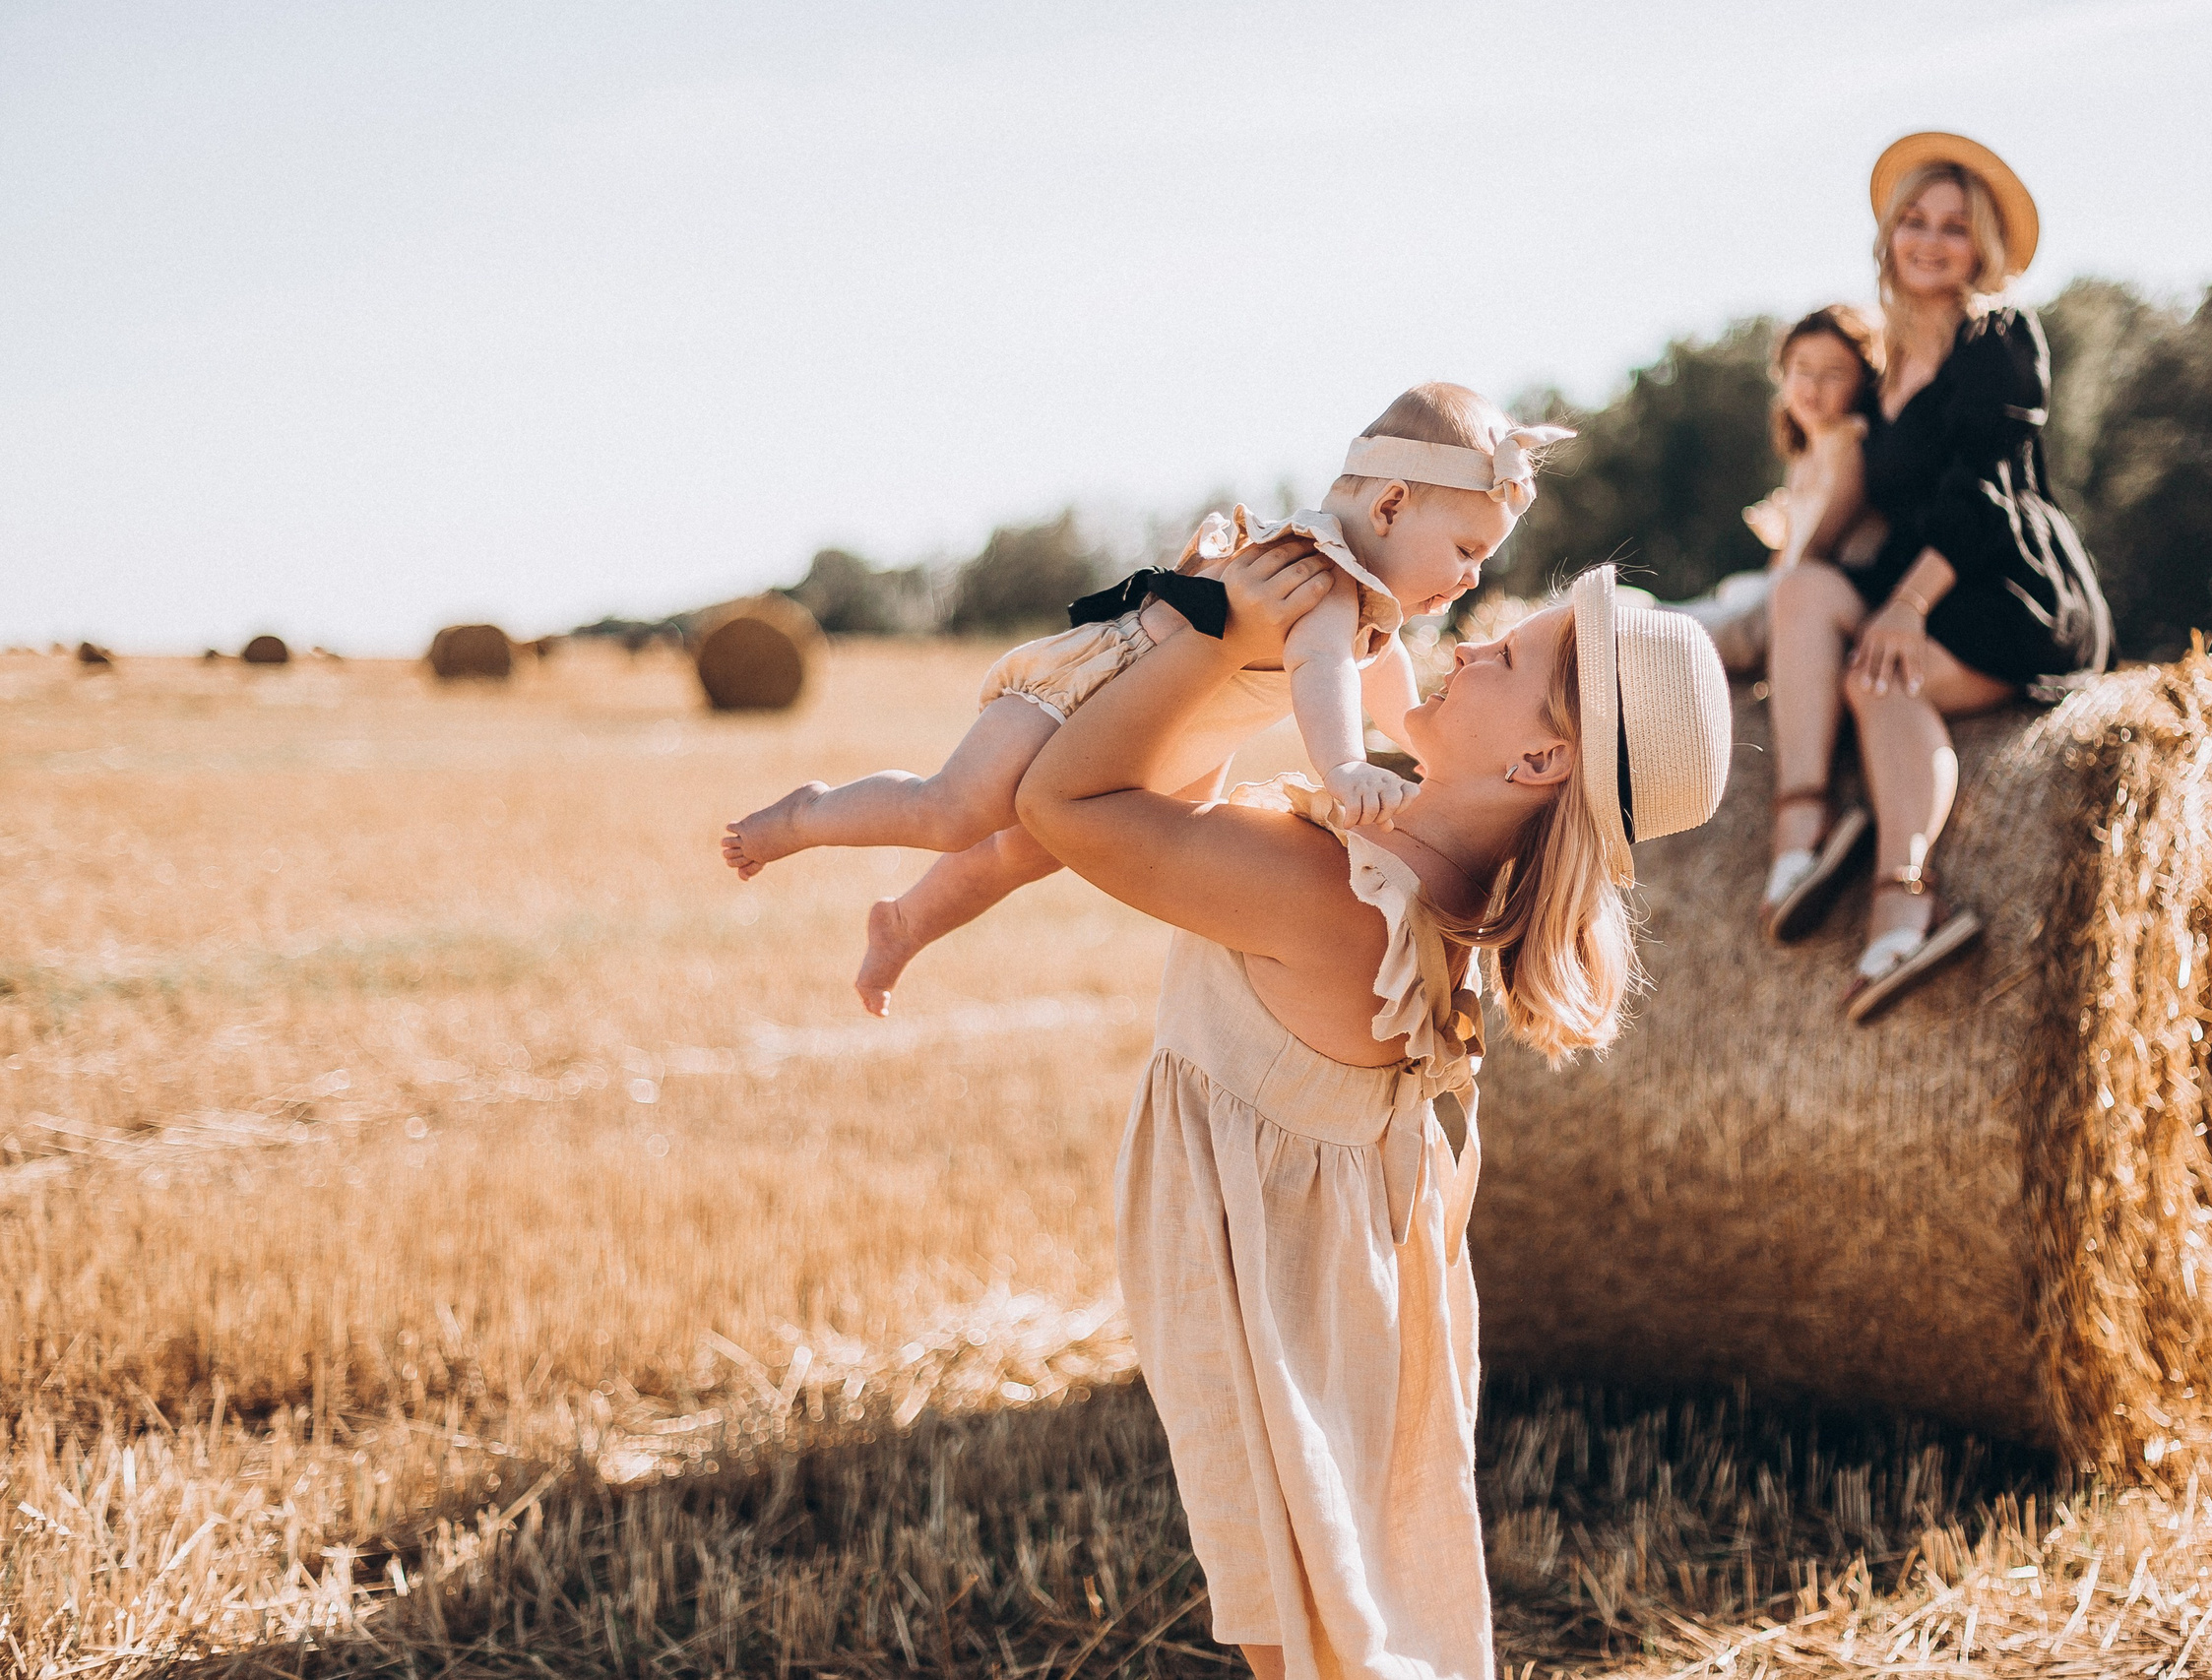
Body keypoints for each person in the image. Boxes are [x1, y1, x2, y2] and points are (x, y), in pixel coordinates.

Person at [1016, 545, 1729, 1679]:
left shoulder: (1328, 890)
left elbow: (1061, 799)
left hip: (1270, 1292)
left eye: (1506, 654)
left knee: (1301, 1610)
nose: (1471, 641)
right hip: (1333, 1290)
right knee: (1340, 1602)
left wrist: (1215, 626)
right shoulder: (1428, 882)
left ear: (1543, 755)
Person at [718, 384, 1570, 1014]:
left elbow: (1373, 678)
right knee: (954, 809)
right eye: (1467, 548)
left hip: (1176, 735)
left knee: (1028, 849)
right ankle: (807, 814)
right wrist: (1345, 764)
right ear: (1389, 505)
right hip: (1093, 686)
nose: (1473, 577)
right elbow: (1321, 672)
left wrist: (1427, 755)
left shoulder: (1366, 614)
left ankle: (905, 926)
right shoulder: (1318, 577)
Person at [1762, 132, 2112, 1022]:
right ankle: (1798, 825)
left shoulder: (1999, 336)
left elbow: (1983, 492)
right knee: (1800, 594)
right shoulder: (1880, 365)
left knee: (1881, 674)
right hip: (1907, 582)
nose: (1930, 239)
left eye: (1954, 227)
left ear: (1981, 247)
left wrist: (1909, 607)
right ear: (1889, 236)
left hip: (2003, 588)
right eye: (1914, 220)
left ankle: (1908, 898)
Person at [1675, 304, 1887, 674]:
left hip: (1814, 602)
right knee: (1718, 596)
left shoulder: (1853, 444)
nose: (1813, 386)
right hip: (1785, 588)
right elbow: (1786, 560)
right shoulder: (1805, 455)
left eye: (1834, 374)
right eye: (1802, 369)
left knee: (1678, 631)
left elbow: (1817, 551)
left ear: (1862, 382)